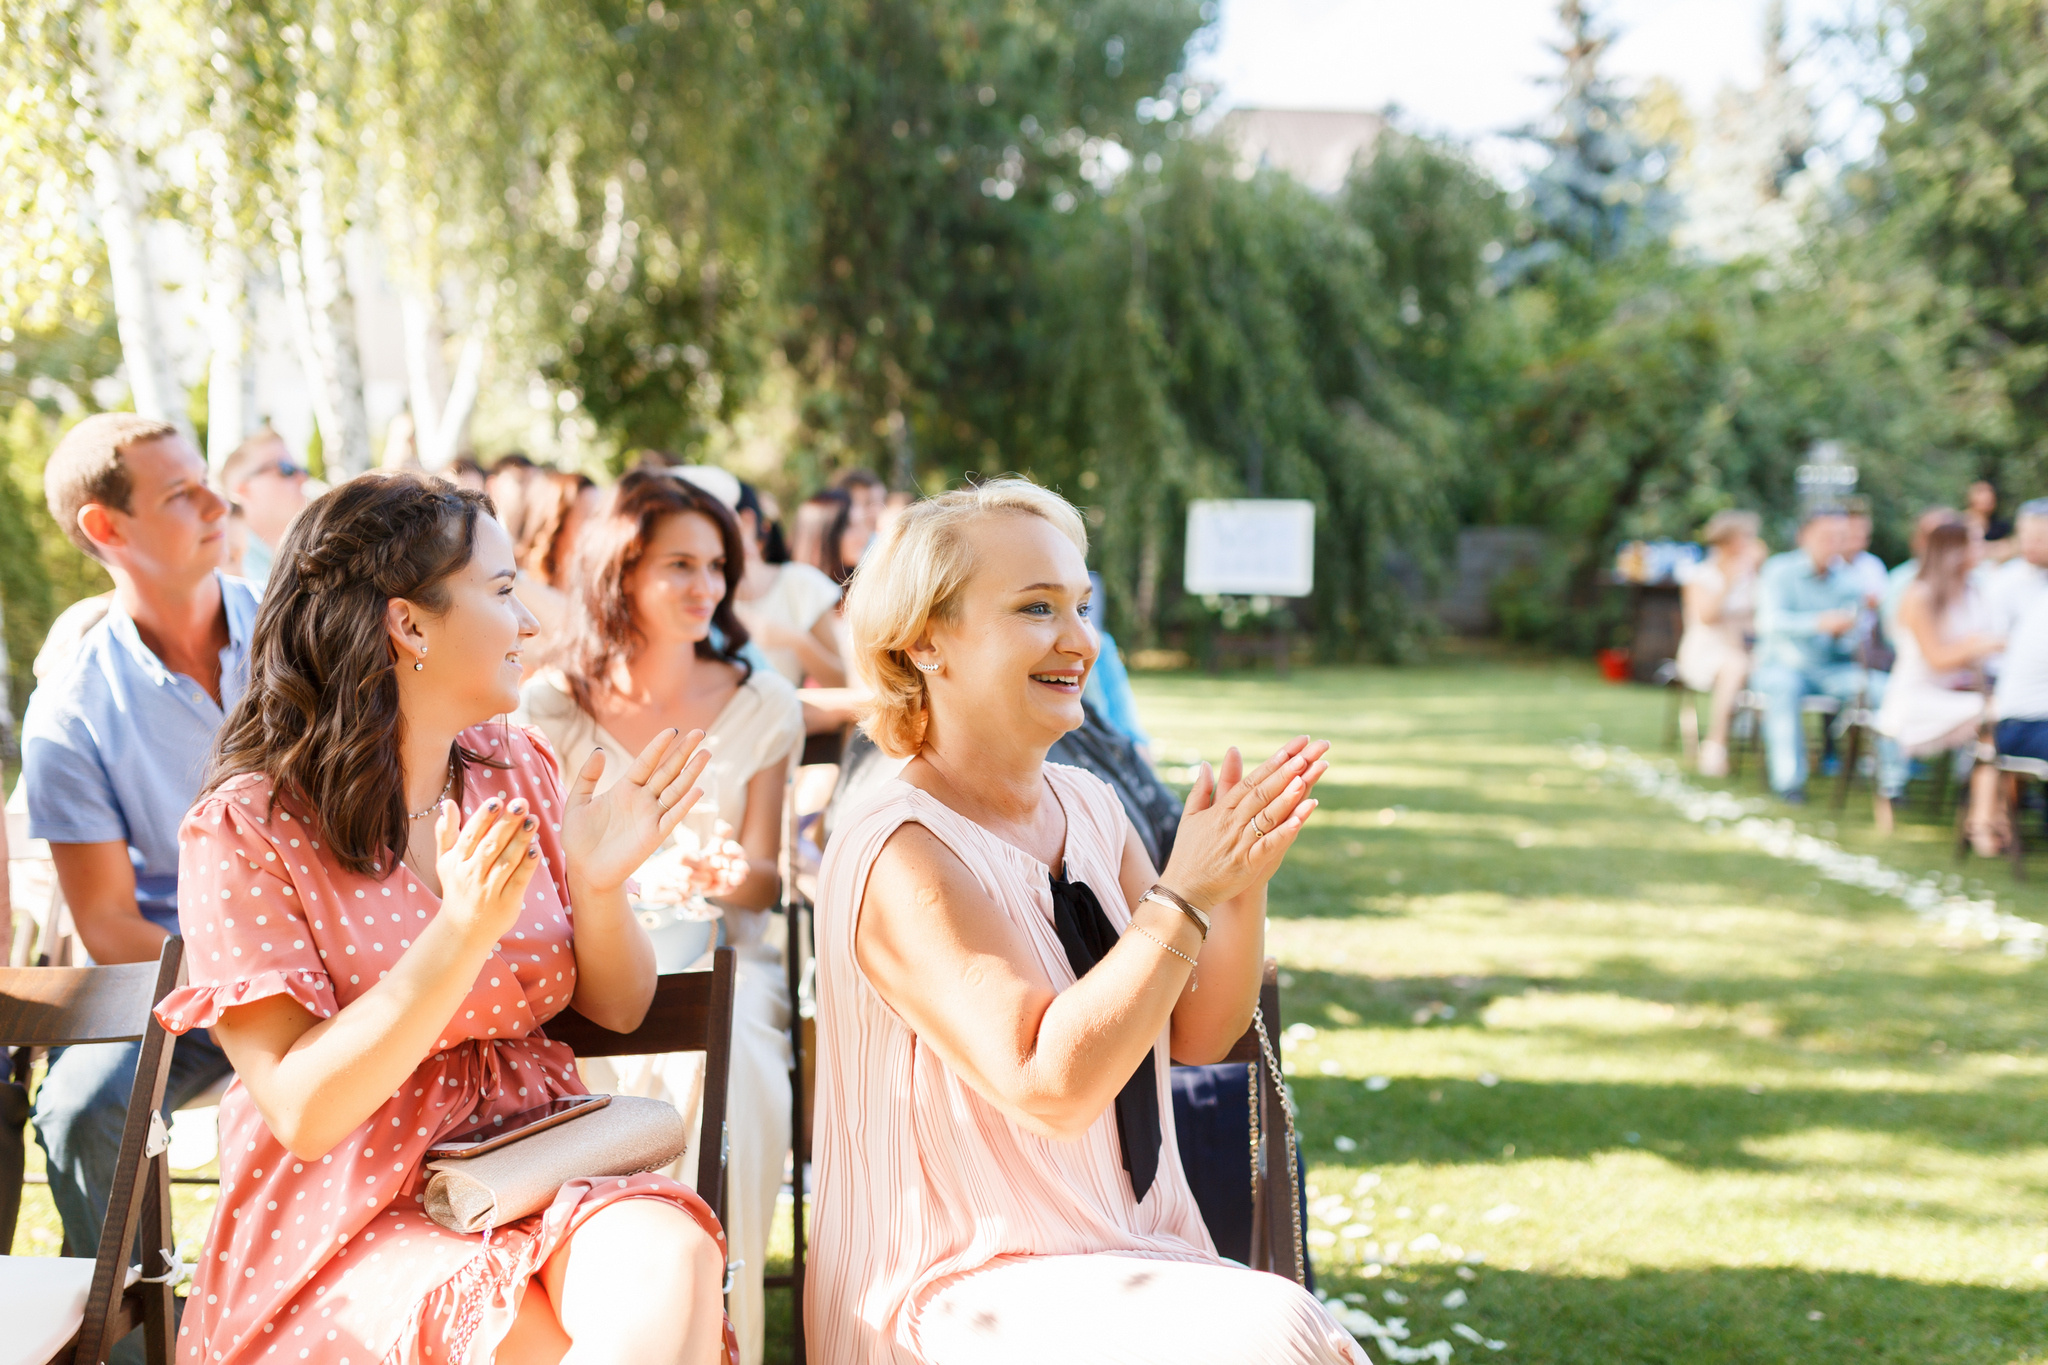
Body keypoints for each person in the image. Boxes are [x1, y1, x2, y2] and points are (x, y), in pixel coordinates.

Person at [154, 470, 734, 1365]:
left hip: (532, 1160)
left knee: (673, 1258)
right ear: (409, 623)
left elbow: (619, 1008)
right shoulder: (245, 829)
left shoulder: (518, 766)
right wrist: (457, 935)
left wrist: (600, 881)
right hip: (351, 1203)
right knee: (531, 1339)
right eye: (503, 592)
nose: (532, 622)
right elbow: (303, 1111)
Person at [806, 477, 1361, 1363]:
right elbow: (1049, 1083)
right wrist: (1182, 896)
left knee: (1282, 1332)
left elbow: (1200, 1032)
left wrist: (1236, 883)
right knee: (1281, 1333)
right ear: (924, 643)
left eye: (1081, 605)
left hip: (1129, 1255)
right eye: (1036, 608)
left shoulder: (1091, 805)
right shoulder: (901, 847)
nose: (1080, 641)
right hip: (959, 1289)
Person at [516, 469, 803, 1365]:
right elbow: (539, 865)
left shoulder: (762, 703)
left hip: (725, 958)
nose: (705, 587)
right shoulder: (551, 705)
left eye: (716, 566)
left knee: (741, 1072)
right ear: (620, 572)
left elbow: (763, 881)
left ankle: (731, 1336)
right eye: (679, 564)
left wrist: (726, 868)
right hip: (583, 965)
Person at [19, 413, 252, 1363]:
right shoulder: (68, 708)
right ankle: (136, 1344)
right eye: (178, 495)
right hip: (187, 989)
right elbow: (111, 922)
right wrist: (247, 985)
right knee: (79, 1106)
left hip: (353, 952)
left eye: (209, 479)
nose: (218, 502)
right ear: (104, 529)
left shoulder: (307, 629)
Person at [1752, 508, 1900, 803]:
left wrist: (1846, 633)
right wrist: (1818, 622)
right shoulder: (1779, 570)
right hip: (1783, 666)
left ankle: (1893, 785)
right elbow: (1768, 623)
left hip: (1833, 669)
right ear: (1804, 536)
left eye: (1839, 537)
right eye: (1826, 536)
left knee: (1886, 690)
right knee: (1784, 687)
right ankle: (1789, 782)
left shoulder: (1851, 580)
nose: (1833, 543)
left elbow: (1852, 645)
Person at [1876, 522, 2004, 839]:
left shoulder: (1974, 589)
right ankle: (1982, 818)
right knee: (1997, 716)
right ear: (1953, 551)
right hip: (1917, 697)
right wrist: (1977, 645)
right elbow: (1935, 658)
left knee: (2005, 715)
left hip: (1959, 692)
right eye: (1975, 542)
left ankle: (1987, 813)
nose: (1982, 548)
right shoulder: (1920, 595)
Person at [1675, 510, 1765, 778]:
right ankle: (1717, 743)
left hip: (1746, 648)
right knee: (1735, 665)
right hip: (1705, 651)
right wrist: (1729, 581)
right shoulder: (1700, 574)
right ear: (1728, 541)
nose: (1751, 542)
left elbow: (1759, 619)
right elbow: (1706, 616)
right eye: (1746, 537)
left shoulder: (1754, 577)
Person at [732, 479, 845, 688]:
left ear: (746, 522)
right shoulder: (701, 594)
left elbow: (841, 681)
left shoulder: (801, 584)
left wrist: (796, 640)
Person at [216, 426, 313, 586]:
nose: (302, 477)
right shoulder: (227, 570)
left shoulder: (308, 557)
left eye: (301, 469)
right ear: (243, 489)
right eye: (286, 469)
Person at [789, 487, 861, 587]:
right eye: (851, 526)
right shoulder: (797, 591)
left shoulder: (861, 585)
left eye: (860, 525)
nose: (861, 534)